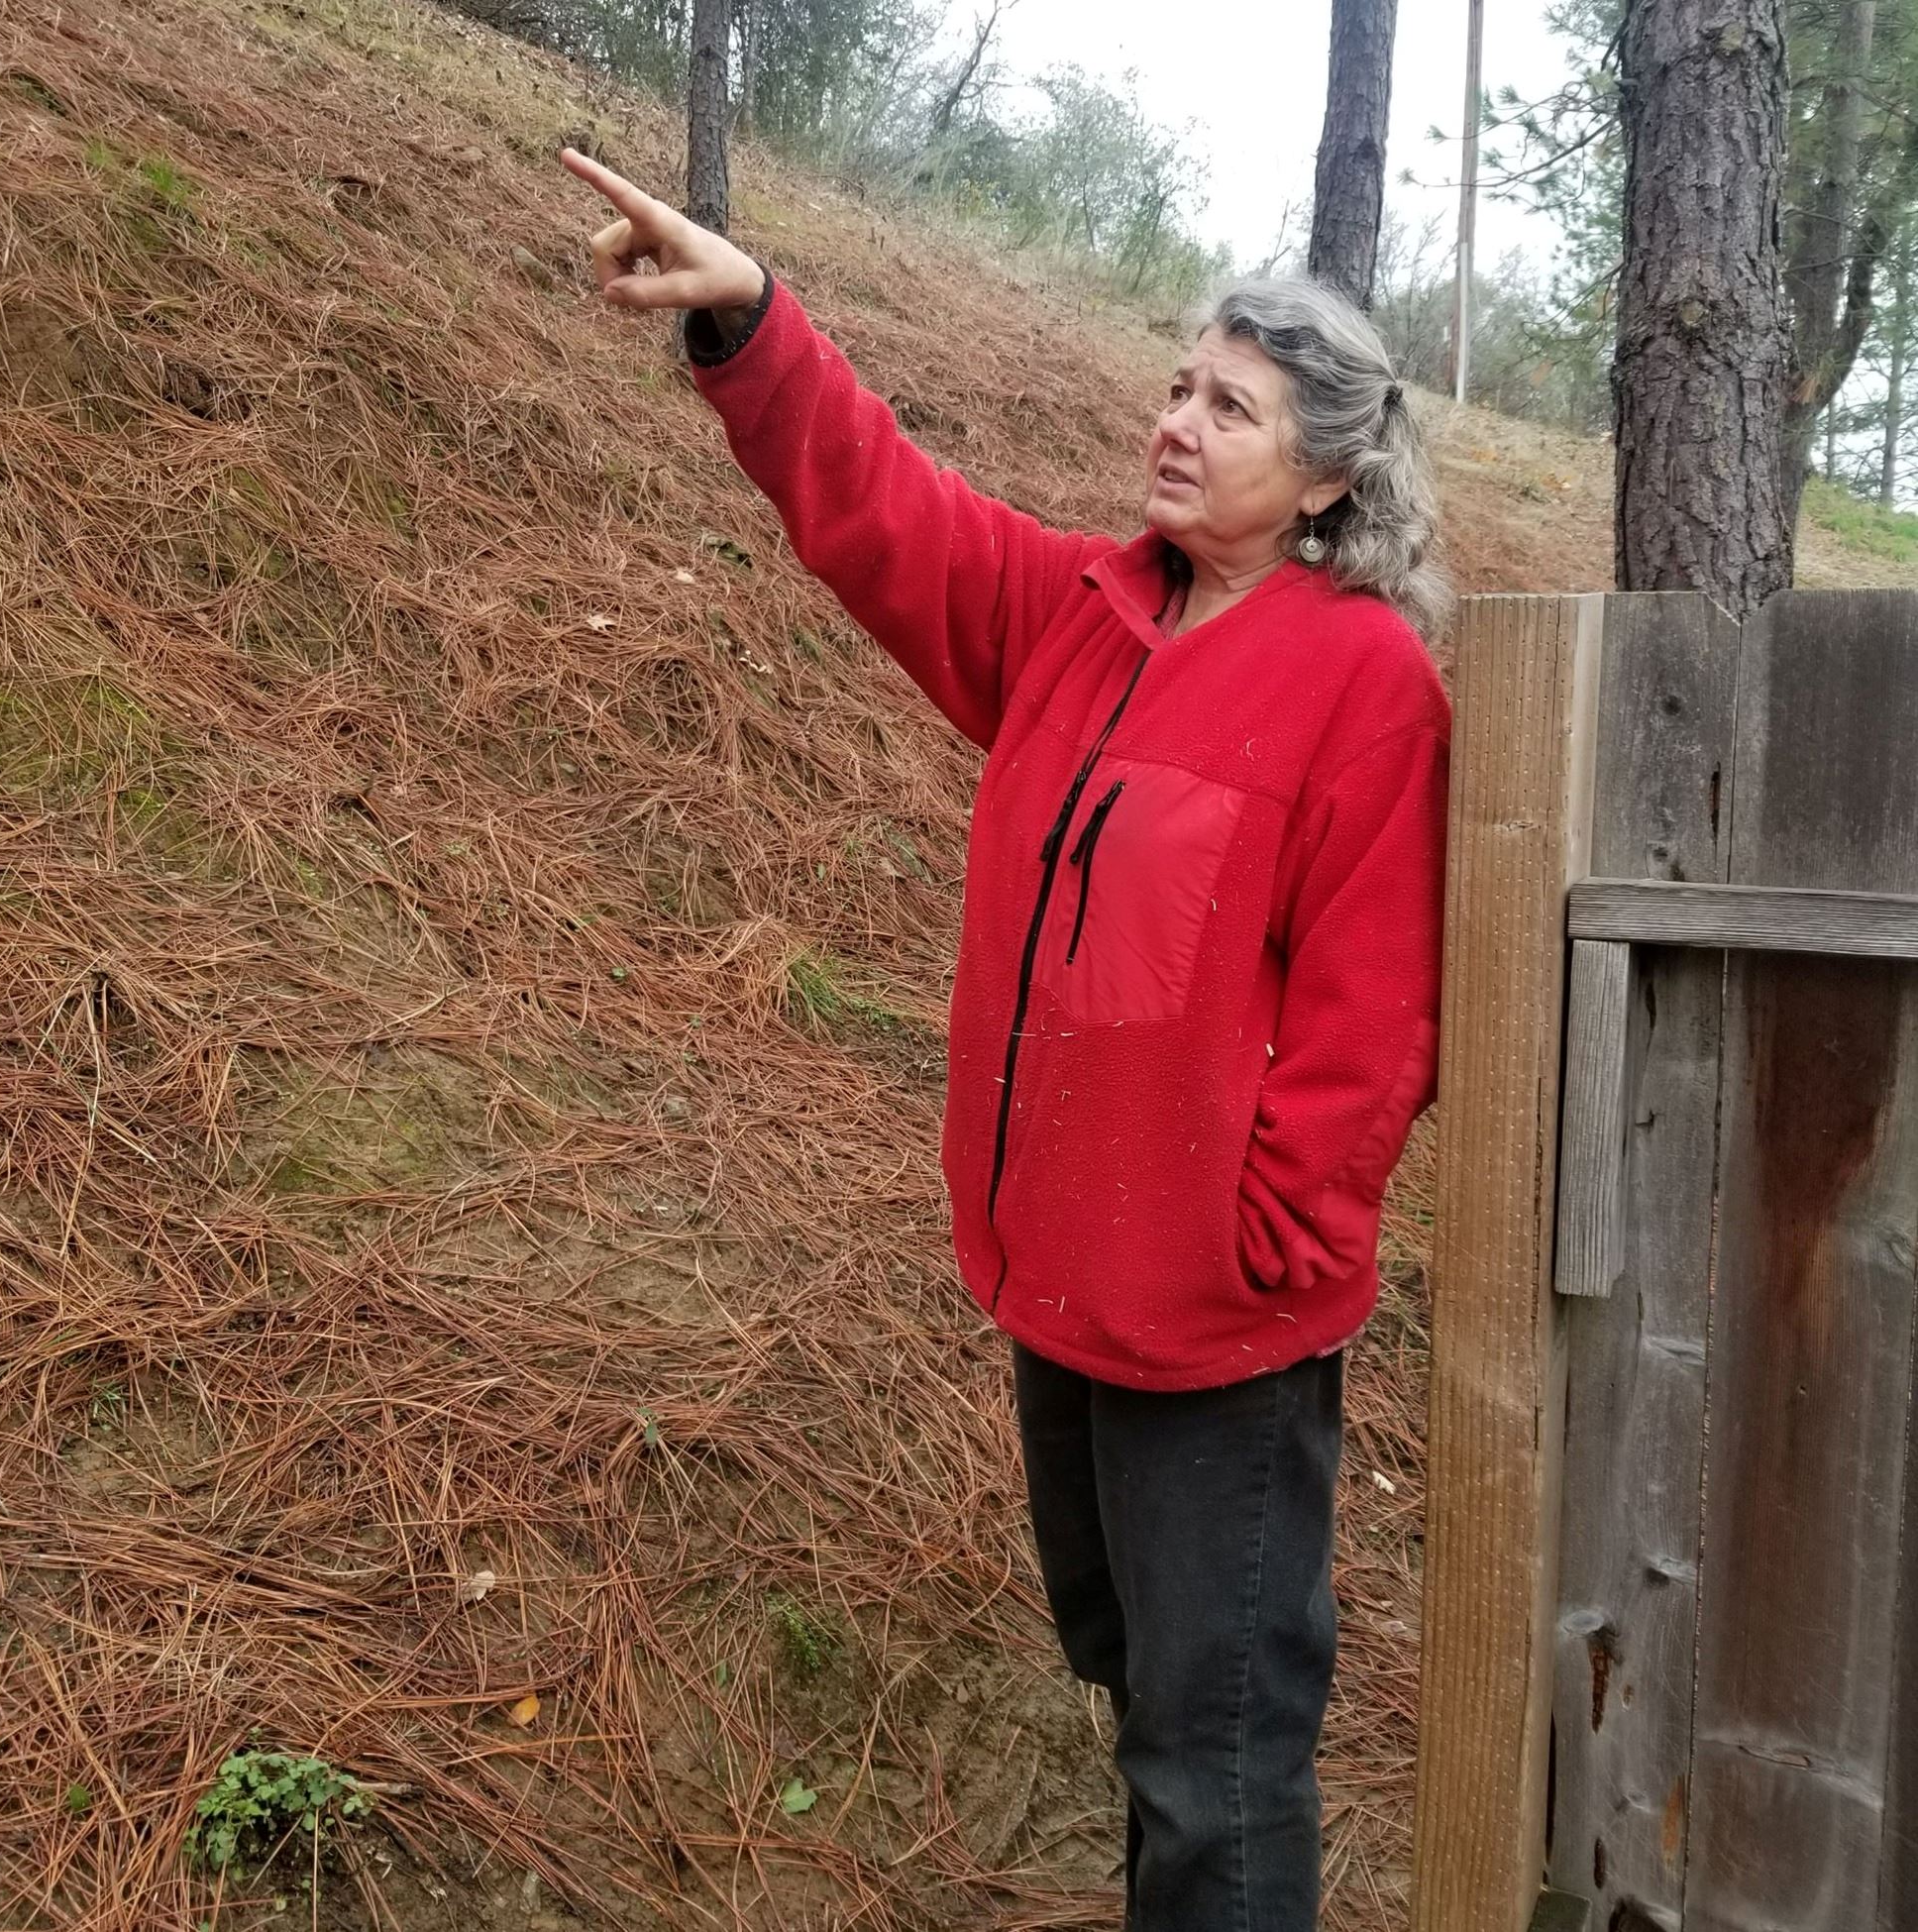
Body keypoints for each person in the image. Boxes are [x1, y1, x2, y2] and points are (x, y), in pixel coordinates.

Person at [561, 148, 1450, 1932]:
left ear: (1329, 475)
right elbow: (893, 516)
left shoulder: (1362, 683)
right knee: (1149, 1717)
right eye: (1178, 384)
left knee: (1221, 1773)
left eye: (1230, 406)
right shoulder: (1089, 619)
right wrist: (753, 321)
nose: (1175, 422)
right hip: (1062, 1287)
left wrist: (1255, 1251)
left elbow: (1370, 1033)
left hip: (1216, 1334)